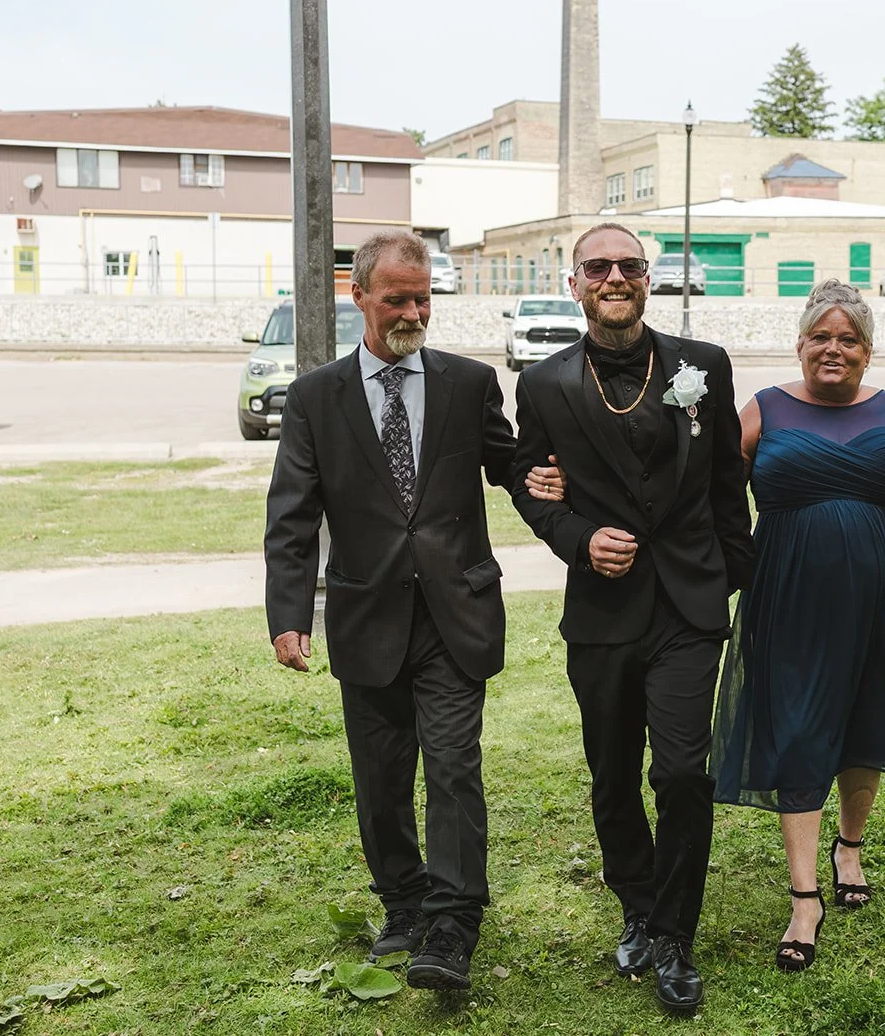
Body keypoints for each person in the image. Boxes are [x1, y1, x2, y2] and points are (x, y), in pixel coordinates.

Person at [265, 231, 520, 994]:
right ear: (360, 296)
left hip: (455, 615)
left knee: (452, 769)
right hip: (365, 617)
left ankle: (452, 921)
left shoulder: (470, 384)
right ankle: (403, 903)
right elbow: (293, 515)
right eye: (398, 298)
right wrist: (288, 613)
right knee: (380, 781)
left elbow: (517, 467)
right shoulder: (316, 398)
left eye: (423, 298)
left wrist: (573, 477)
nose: (414, 311)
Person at [509, 221, 754, 1015]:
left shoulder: (701, 366)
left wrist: (735, 575)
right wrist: (579, 539)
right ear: (575, 282)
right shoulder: (544, 385)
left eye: (630, 265)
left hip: (689, 604)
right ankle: (638, 904)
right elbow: (527, 482)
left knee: (683, 771)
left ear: (648, 280)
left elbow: (727, 481)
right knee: (612, 775)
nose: (616, 276)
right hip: (603, 612)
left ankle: (675, 935)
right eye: (599, 266)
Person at [708, 278, 885, 972]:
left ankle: (848, 845)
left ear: (867, 351)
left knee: (864, 719)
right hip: (788, 598)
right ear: (799, 344)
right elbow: (711, 493)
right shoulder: (763, 409)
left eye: (847, 339)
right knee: (796, 725)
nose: (833, 349)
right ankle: (804, 896)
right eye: (820, 337)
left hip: (876, 598)